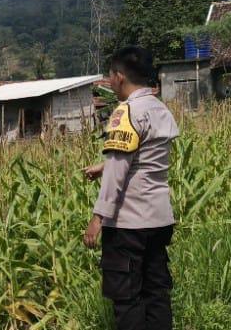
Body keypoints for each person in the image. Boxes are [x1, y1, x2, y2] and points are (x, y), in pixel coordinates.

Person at [82, 46, 179, 330]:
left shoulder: (126, 112)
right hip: (159, 219)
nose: (110, 82)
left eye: (110, 76)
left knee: (128, 299)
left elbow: (118, 172)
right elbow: (146, 158)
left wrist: (98, 217)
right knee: (156, 293)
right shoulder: (160, 108)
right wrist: (104, 165)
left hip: (129, 224)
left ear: (120, 77)